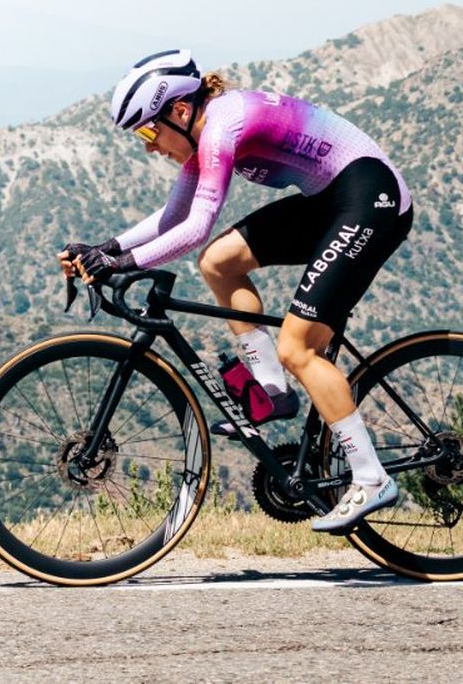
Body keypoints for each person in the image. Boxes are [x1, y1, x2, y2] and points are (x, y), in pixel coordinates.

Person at [59, 49, 414, 532]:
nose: (149, 146)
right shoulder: (200, 133)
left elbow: (197, 226)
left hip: (370, 197)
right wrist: (106, 248)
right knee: (220, 263)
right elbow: (172, 216)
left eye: (148, 131)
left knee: (298, 348)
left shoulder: (223, 127)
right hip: (328, 199)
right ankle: (273, 391)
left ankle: (372, 478)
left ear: (180, 111)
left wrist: (121, 264)